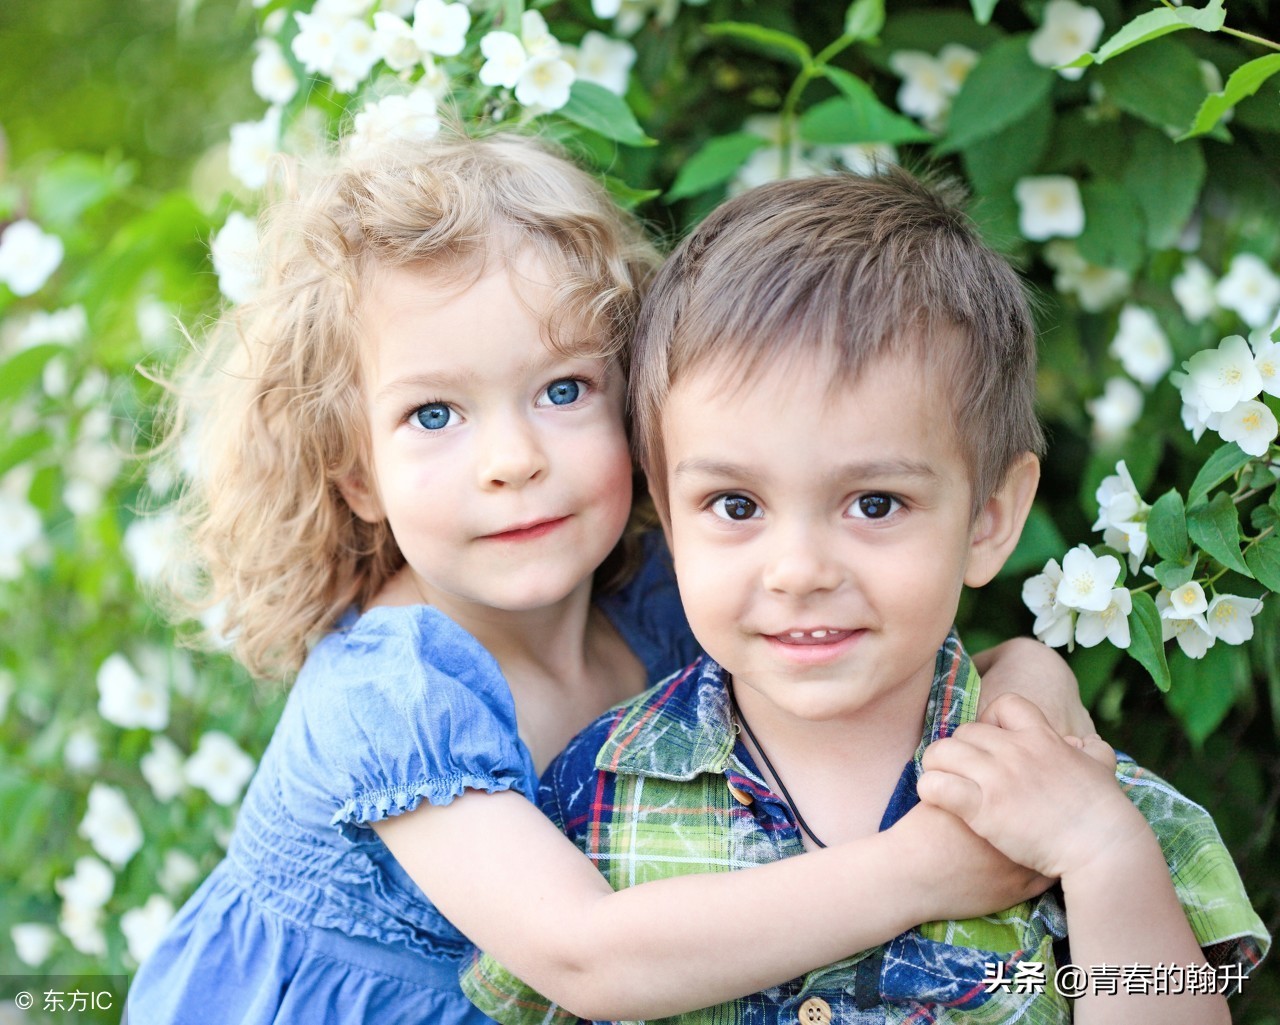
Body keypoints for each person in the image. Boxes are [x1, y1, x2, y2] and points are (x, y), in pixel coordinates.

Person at [128, 132, 1096, 1024]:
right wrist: (921, 867)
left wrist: (1030, 695)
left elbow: (928, 661)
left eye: (561, 389)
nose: (510, 457)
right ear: (355, 472)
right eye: (433, 414)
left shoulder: (656, 600)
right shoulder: (390, 693)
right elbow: (589, 958)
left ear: (640, 411)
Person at [463, 168, 1269, 1024]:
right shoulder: (595, 793)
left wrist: (1104, 853)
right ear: (665, 508)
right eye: (736, 505)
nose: (799, 569)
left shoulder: (1078, 798)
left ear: (991, 518)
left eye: (874, 503)